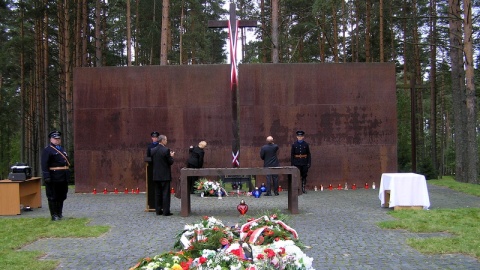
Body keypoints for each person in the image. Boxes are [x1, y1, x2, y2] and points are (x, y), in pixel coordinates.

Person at [41, 130, 70, 221]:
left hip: (63, 176)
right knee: (53, 196)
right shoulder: (48, 150)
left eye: (58, 139)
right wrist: (46, 176)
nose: (57, 140)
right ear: (51, 139)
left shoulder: (62, 149)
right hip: (53, 177)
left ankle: (59, 213)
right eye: (55, 139)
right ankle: (54, 215)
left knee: (62, 195)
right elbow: (44, 164)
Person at [150, 134, 175, 216]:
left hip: (156, 175)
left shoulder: (153, 150)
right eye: (166, 140)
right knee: (165, 193)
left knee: (157, 193)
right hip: (165, 175)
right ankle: (166, 211)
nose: (167, 141)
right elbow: (170, 162)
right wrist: (171, 156)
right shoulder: (166, 150)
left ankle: (158, 210)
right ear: (163, 140)